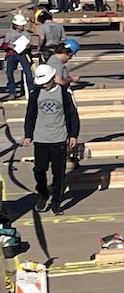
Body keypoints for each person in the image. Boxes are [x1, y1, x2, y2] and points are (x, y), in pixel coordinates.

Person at [25, 62, 78, 214]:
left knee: (58, 173)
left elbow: (73, 115)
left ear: (53, 78)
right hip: (41, 139)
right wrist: (28, 135)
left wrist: (73, 134)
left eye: (45, 82)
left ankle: (56, 202)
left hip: (59, 139)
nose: (43, 86)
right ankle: (43, 193)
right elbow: (30, 115)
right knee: (39, 170)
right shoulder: (35, 94)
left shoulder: (64, 93)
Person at [3, 33, 31, 98]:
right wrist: (9, 46)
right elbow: (4, 45)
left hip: (23, 54)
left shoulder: (27, 34)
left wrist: (27, 47)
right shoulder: (9, 33)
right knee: (9, 72)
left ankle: (31, 90)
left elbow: (30, 46)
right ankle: (12, 92)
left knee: (28, 72)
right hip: (11, 54)